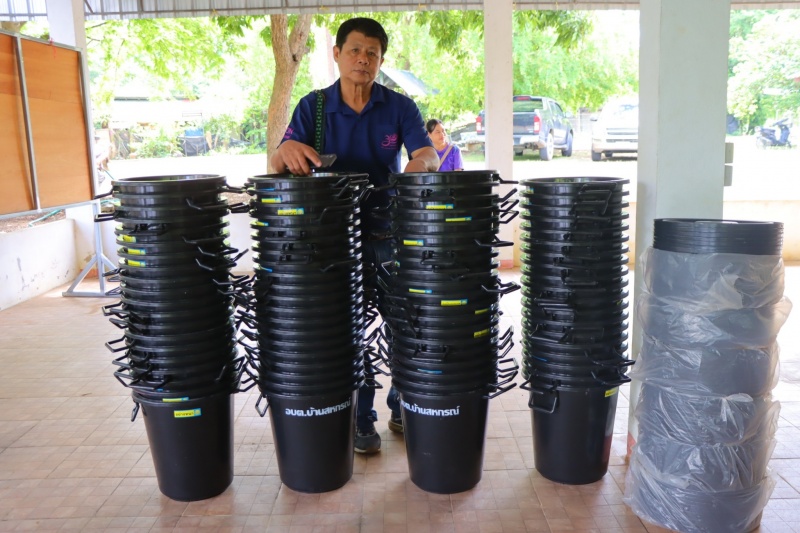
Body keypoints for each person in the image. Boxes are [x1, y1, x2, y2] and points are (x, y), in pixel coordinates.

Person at [270, 17, 440, 455]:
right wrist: (285, 150)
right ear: (337, 54)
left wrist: (418, 168)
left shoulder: (399, 107)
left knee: (404, 323)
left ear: (380, 60)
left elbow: (427, 154)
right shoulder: (313, 108)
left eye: (372, 53)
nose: (363, 60)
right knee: (348, 329)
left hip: (390, 232)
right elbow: (278, 162)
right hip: (331, 242)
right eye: (355, 51)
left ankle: (402, 404)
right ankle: (361, 417)